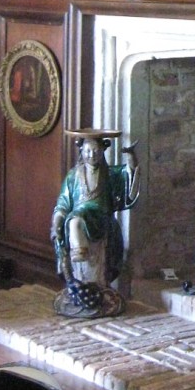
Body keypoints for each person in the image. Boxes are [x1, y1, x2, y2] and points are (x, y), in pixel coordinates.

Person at [51, 130, 140, 317]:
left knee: (76, 219)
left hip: (102, 220)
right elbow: (62, 204)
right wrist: (56, 224)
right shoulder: (73, 176)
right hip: (78, 221)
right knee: (74, 220)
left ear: (102, 151)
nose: (92, 155)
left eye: (96, 151)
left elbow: (129, 174)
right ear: (82, 152)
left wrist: (131, 155)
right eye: (88, 151)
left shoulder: (110, 174)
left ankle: (99, 287)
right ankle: (79, 258)